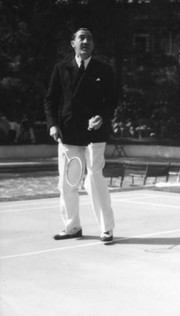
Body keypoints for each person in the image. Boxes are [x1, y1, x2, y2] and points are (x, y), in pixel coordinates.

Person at [44, 28, 118, 242]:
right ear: (73, 43)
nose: (85, 41)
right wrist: (52, 125)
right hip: (68, 133)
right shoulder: (61, 69)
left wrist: (102, 117)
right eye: (81, 38)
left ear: (93, 45)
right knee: (68, 182)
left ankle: (106, 228)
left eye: (89, 38)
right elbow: (51, 100)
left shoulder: (104, 69)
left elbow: (112, 100)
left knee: (95, 179)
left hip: (95, 133)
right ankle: (72, 227)